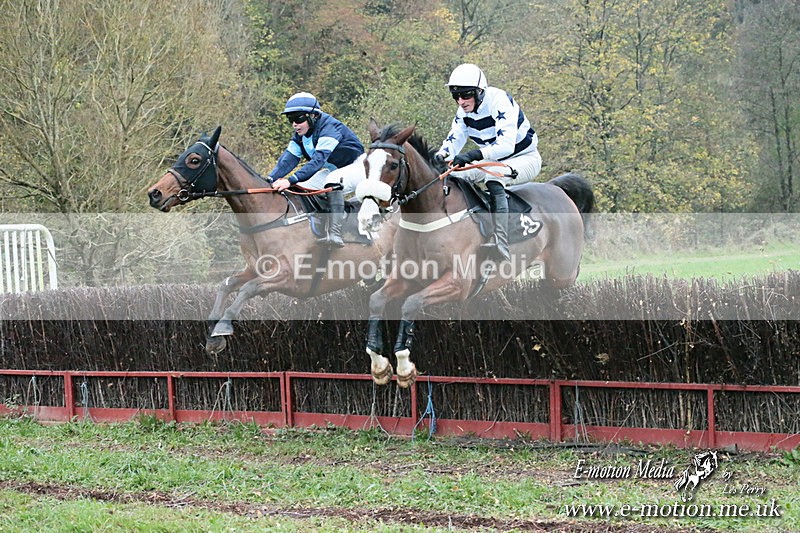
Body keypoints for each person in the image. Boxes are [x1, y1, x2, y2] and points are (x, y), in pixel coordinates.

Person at [435, 64, 542, 262]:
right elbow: (454, 139)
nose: (461, 101)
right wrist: (440, 157)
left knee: (494, 175)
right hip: (491, 160)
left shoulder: (499, 101)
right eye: (456, 96)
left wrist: (472, 155)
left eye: (466, 95)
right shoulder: (463, 112)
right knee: (452, 175)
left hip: (524, 158)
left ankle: (501, 241)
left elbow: (506, 146)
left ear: (480, 91)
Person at [268, 92, 365, 248]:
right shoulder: (300, 135)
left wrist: (290, 179)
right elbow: (288, 161)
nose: (294, 124)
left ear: (313, 116)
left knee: (331, 181)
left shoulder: (330, 128)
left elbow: (317, 162)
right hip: (333, 170)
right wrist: (270, 179)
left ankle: (335, 233)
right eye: (290, 119)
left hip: (358, 166)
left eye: (298, 118)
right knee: (301, 188)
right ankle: (316, 226)